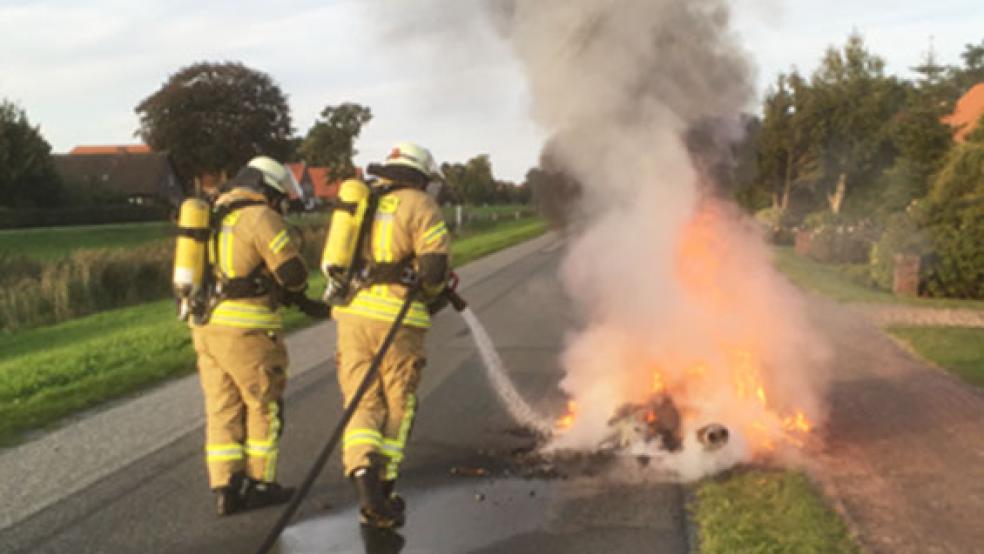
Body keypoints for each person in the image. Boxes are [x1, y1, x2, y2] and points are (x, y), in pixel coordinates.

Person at [190, 155, 330, 516]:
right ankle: (261, 484)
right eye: (279, 193)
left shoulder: (214, 212)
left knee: (222, 408)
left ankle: (226, 487)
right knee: (263, 404)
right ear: (267, 187)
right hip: (247, 329)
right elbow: (292, 273)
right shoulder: (259, 216)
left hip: (206, 325)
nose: (281, 201)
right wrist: (300, 289)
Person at [332, 142, 451, 528]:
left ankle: (364, 483)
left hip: (353, 315)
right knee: (399, 402)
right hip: (397, 320)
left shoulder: (364, 202)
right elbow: (433, 273)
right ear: (419, 176)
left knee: (362, 401)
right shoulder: (420, 205)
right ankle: (385, 488)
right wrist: (438, 292)